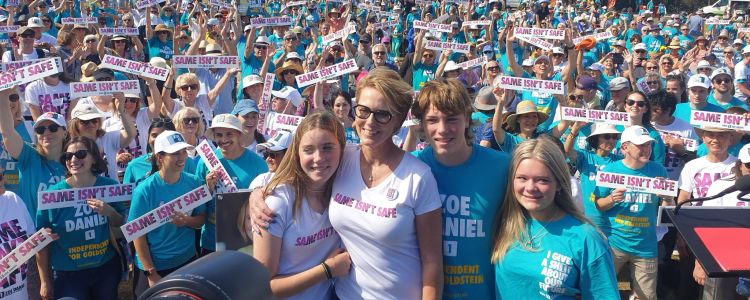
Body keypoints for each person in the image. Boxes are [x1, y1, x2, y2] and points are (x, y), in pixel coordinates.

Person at [251, 68, 443, 299]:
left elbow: (432, 263)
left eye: (383, 114)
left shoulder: (418, 177)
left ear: (399, 120)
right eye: (363, 111)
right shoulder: (342, 158)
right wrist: (257, 193)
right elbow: (297, 173)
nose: (370, 121)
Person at [406, 78, 509, 299]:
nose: (442, 129)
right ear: (422, 125)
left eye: (451, 119)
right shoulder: (409, 169)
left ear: (467, 120)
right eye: (432, 120)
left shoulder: (502, 167)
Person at [492, 137, 619, 299]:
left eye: (543, 180)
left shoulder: (587, 238)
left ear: (559, 183)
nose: (530, 187)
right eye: (522, 178)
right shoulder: (505, 223)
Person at [252, 111, 351, 299]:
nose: (318, 157)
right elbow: (263, 287)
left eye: (327, 147)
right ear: (296, 152)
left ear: (342, 149)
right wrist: (326, 270)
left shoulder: (342, 189)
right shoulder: (277, 203)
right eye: (308, 149)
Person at [36, 137, 126, 300]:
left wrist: (109, 212)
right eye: (68, 156)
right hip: (67, 273)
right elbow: (40, 242)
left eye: (81, 154)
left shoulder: (108, 186)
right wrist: (44, 281)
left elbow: (120, 222)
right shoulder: (52, 195)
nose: (74, 160)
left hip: (105, 268)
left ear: (93, 158)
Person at [594, 126, 671, 300]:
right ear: (624, 148)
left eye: (649, 145)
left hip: (646, 245)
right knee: (601, 292)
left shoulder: (659, 170)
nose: (647, 149)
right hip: (614, 242)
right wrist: (612, 199)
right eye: (641, 145)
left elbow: (667, 211)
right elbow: (599, 204)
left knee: (646, 297)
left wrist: (666, 197)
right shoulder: (610, 170)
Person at [128, 131, 207, 297]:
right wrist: (151, 272)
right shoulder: (144, 190)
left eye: (184, 152)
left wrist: (187, 221)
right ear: (160, 158)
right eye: (175, 153)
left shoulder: (194, 182)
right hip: (154, 266)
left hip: (187, 261)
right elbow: (137, 234)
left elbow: (201, 220)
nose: (182, 158)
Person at [197, 114, 268, 255]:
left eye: (229, 134)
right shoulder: (204, 162)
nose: (224, 140)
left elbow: (265, 201)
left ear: (238, 134)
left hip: (246, 239)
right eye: (219, 135)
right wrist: (208, 188)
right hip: (212, 240)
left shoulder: (258, 163)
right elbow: (197, 205)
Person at [695, 143, 750, 300]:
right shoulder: (721, 186)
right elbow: (705, 228)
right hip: (724, 260)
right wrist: (700, 263)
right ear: (739, 165)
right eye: (749, 165)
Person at [564, 122, 622, 228]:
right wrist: (575, 130)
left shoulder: (620, 161)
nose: (612, 140)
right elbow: (567, 151)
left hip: (613, 219)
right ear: (596, 139)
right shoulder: (585, 156)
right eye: (607, 137)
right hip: (587, 216)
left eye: (614, 137)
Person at [0, 166, 44, 300]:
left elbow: (30, 240)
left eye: (1, 175)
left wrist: (43, 237)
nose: (4, 180)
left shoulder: (13, 199)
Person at [68, 101, 136, 181]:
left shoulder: (108, 138)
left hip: (111, 190)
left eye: (94, 120)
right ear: (75, 124)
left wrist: (121, 111)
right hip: (85, 191)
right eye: (85, 122)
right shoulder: (70, 146)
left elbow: (131, 133)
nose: (91, 124)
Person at [123, 118, 176, 185]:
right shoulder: (133, 166)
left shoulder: (185, 162)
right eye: (154, 135)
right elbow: (127, 195)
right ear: (148, 137)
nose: (158, 140)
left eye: (163, 136)